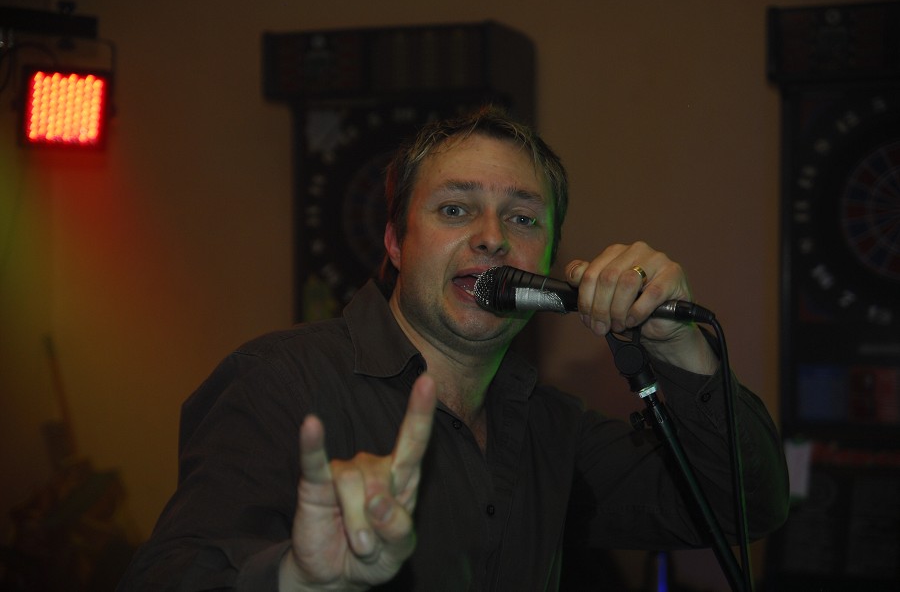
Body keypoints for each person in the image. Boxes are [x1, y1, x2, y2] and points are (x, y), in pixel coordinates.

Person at [117, 106, 789, 591]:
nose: (493, 237)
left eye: (522, 218)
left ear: (547, 262)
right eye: (455, 209)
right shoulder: (278, 383)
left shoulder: (553, 426)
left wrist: (682, 348)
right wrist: (295, 579)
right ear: (395, 243)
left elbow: (745, 504)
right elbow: (171, 575)